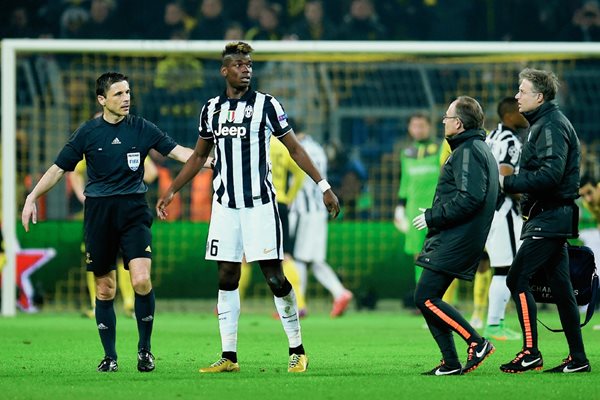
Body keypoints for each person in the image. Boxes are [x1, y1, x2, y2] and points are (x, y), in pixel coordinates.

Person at [156, 41, 340, 374]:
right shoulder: (211, 109)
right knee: (226, 275)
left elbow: (295, 149)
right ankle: (229, 356)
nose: (246, 69)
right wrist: (171, 190)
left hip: (259, 205)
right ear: (224, 70)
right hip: (225, 206)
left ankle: (297, 349)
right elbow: (199, 156)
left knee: (274, 276)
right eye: (239, 64)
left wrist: (323, 186)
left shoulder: (268, 105)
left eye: (250, 65)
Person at [21, 72, 196, 373]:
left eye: (128, 92)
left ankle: (145, 351)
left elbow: (180, 153)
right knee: (105, 289)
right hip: (99, 215)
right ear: (102, 99)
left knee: (141, 279)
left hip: (134, 211)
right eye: (118, 94)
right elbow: (58, 168)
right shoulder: (88, 133)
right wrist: (31, 197)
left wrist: (214, 159)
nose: (126, 98)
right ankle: (110, 356)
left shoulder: (142, 128)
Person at [499, 68, 590, 374]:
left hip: (549, 216)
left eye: (521, 91)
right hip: (551, 215)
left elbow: (551, 175)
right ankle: (578, 359)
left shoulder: (549, 126)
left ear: (538, 96)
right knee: (562, 289)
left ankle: (530, 353)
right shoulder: (545, 123)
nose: (516, 96)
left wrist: (508, 183)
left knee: (516, 278)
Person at [412, 96, 498, 376]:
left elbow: (470, 198)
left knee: (425, 296)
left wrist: (432, 216)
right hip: (462, 234)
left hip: (458, 236)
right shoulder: (477, 148)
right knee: (429, 296)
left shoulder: (467, 151)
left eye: (446, 117)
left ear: (458, 123)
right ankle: (450, 362)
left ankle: (476, 341)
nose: (443, 122)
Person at [69, 155, 158, 319]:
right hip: (102, 209)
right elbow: (73, 171)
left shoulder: (132, 143)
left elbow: (152, 173)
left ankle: (112, 305)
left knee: (116, 257)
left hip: (118, 211)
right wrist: (83, 197)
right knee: (100, 257)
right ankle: (125, 304)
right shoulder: (93, 143)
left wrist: (123, 176)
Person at [479, 97, 529, 341]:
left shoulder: (490, 137)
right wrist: (528, 194)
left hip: (488, 210)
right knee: (505, 268)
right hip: (504, 209)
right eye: (520, 112)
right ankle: (494, 325)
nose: (524, 116)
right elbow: (504, 177)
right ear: (510, 115)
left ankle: (495, 322)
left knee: (503, 267)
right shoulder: (510, 140)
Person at [289, 132, 354, 317]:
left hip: (302, 209)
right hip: (319, 209)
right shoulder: (317, 148)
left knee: (298, 257)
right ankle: (340, 293)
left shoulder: (296, 148)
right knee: (313, 258)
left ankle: (298, 304)